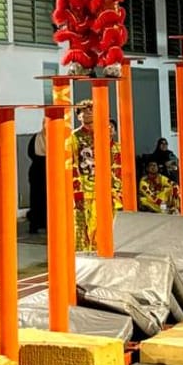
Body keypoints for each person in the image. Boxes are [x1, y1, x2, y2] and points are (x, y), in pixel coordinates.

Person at [69, 100, 123, 251]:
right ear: (78, 116)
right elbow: (72, 165)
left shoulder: (104, 134)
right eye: (83, 111)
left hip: (106, 189)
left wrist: (118, 190)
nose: (88, 113)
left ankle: (103, 253)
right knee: (81, 226)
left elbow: (116, 164)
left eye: (91, 110)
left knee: (106, 226)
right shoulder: (74, 137)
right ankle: (83, 257)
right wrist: (76, 192)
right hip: (85, 189)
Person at [26, 121, 48, 235]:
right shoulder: (54, 137)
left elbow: (30, 153)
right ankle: (40, 223)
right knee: (40, 199)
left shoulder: (36, 138)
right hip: (44, 171)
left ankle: (36, 224)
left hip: (37, 171)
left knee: (38, 199)